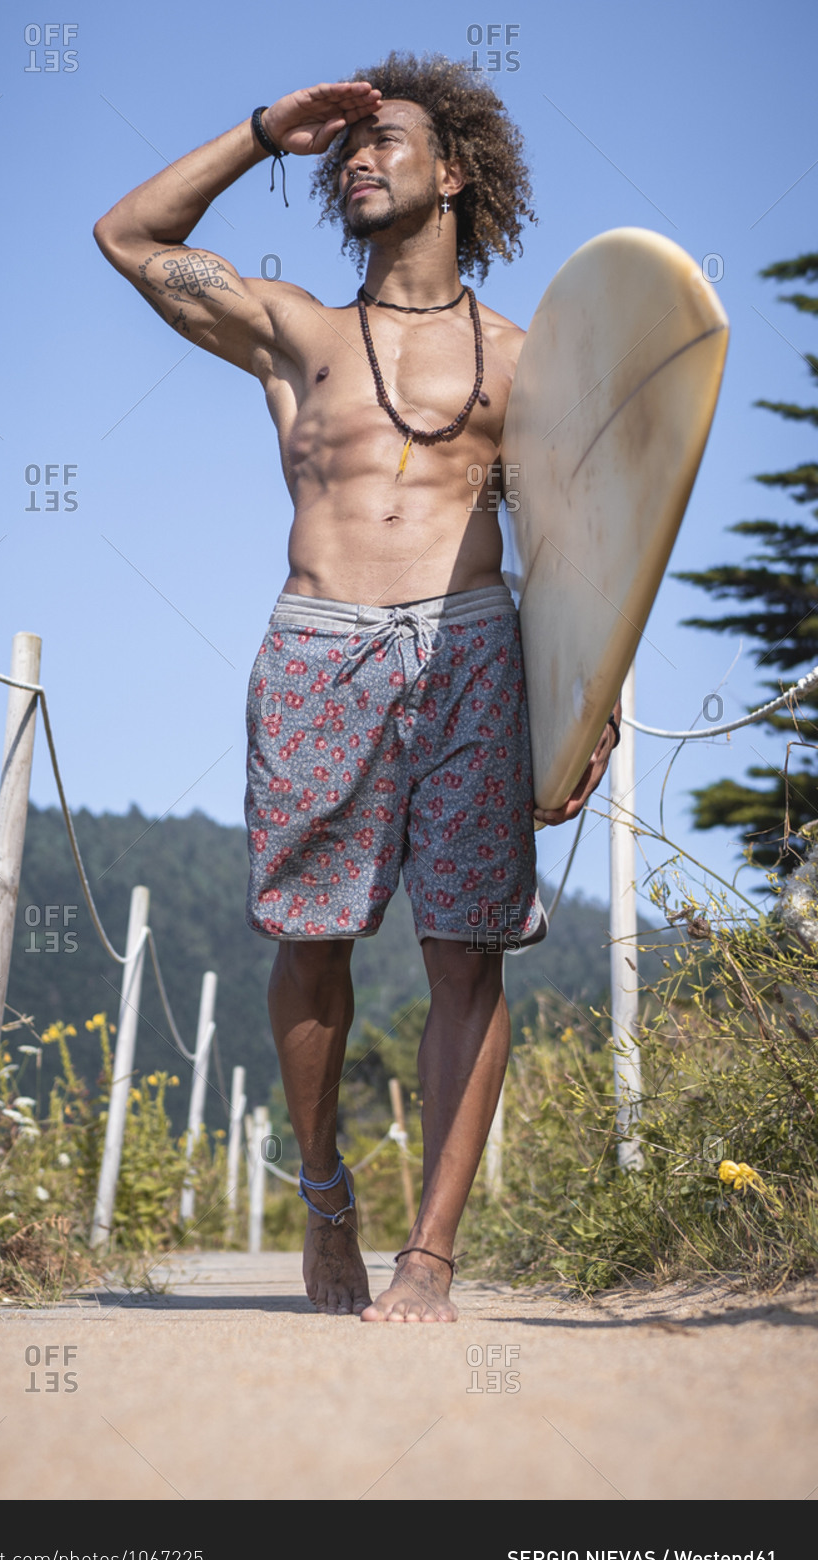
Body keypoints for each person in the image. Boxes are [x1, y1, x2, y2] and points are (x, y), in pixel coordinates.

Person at [94, 53, 621, 1322]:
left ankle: (431, 1254)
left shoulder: (528, 359)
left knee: (466, 950)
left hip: (478, 645)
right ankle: (326, 1201)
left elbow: (588, 536)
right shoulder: (299, 333)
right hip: (320, 642)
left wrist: (593, 690)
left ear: (458, 173)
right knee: (310, 941)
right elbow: (128, 234)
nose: (360, 157)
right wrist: (266, 132)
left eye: (388, 140)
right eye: (347, 150)